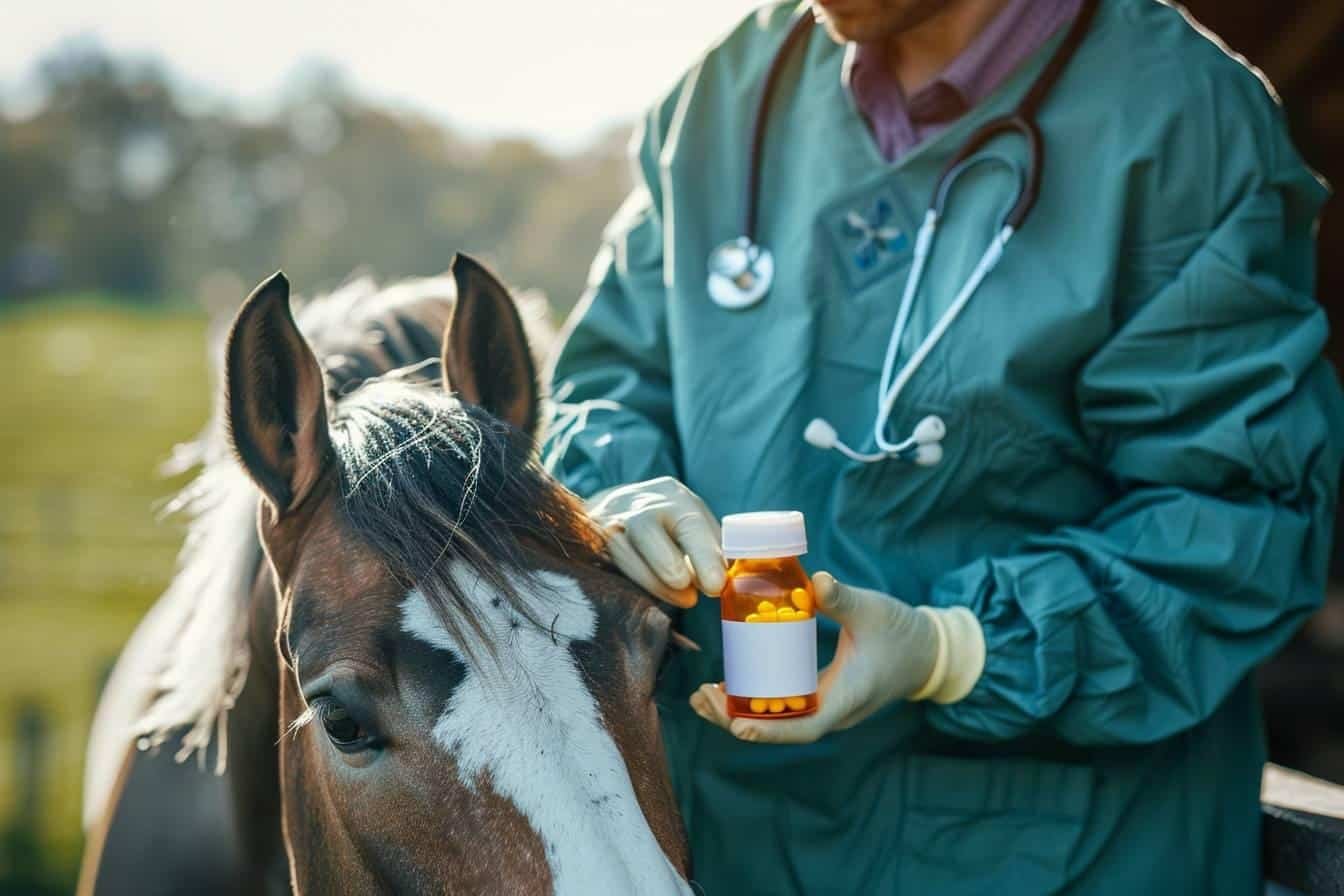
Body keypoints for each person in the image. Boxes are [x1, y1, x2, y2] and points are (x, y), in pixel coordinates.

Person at [542, 0, 1344, 892]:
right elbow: (604, 385)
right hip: (731, 837)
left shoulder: (1181, 117)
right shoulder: (728, 95)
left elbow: (1235, 518)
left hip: (1058, 850)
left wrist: (953, 648)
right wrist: (611, 494)